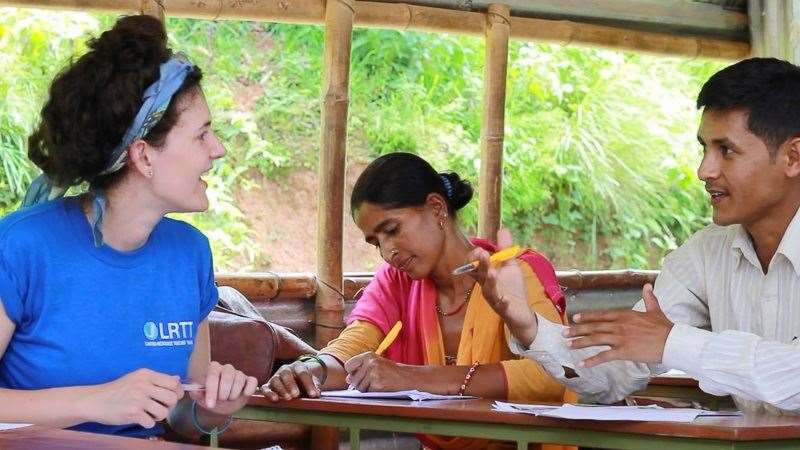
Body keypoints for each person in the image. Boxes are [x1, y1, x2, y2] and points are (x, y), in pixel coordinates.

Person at [489, 57, 800, 414]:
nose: (704, 170)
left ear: (793, 157)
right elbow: (615, 369)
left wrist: (673, 341)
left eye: (726, 150)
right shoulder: (706, 252)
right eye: (704, 148)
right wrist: (530, 326)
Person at [0, 15, 257, 439]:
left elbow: (182, 419)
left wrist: (213, 410)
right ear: (144, 156)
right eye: (202, 135)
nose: (219, 149)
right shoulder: (21, 247)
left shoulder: (189, 254)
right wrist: (94, 400)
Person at [263, 152, 574, 450]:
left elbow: (551, 375)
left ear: (437, 208)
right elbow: (353, 348)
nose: (388, 253)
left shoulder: (513, 272)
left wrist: (410, 377)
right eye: (376, 243)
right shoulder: (396, 281)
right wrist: (310, 368)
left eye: (392, 230)